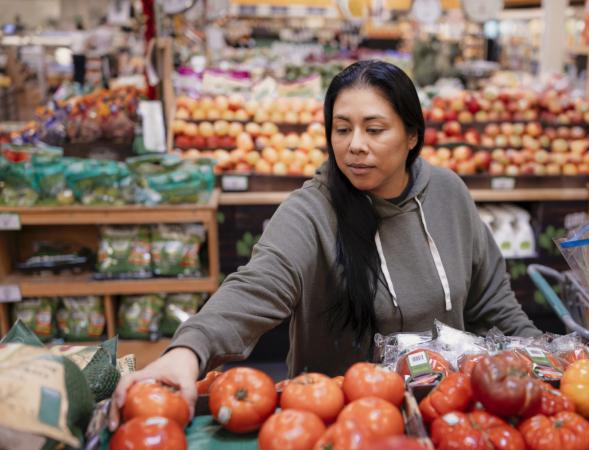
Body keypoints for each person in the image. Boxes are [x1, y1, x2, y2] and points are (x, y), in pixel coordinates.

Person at [109, 60, 541, 428]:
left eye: (374, 129)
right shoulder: (311, 210)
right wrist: (189, 350)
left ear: (412, 136)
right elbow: (257, 285)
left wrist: (546, 360)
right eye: (341, 129)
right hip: (339, 423)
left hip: (447, 417)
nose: (355, 146)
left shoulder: (448, 194)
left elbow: (494, 305)